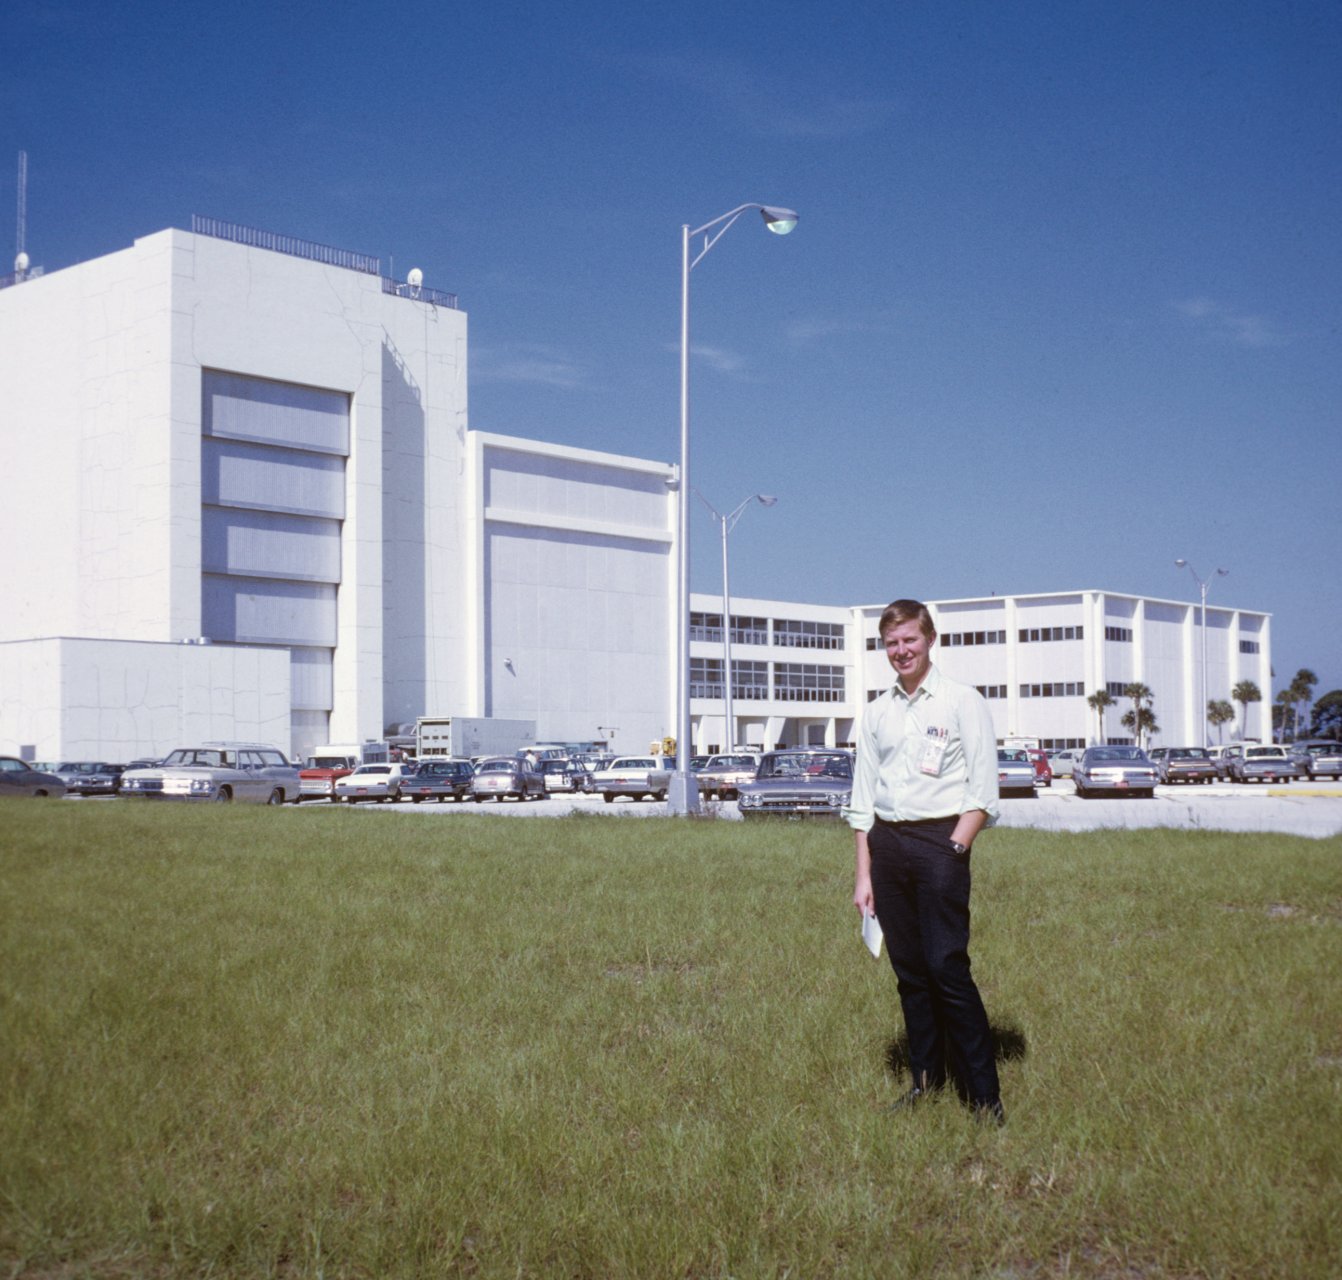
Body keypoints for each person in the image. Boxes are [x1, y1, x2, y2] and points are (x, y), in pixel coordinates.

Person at [845, 598, 1005, 1124]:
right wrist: (864, 875)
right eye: (891, 643)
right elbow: (862, 800)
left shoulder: (962, 701)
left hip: (941, 842)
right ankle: (925, 1082)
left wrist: (955, 848)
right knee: (910, 973)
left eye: (909, 640)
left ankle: (984, 1098)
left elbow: (983, 791)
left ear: (930, 639)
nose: (901, 651)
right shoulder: (876, 711)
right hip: (887, 847)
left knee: (947, 968)